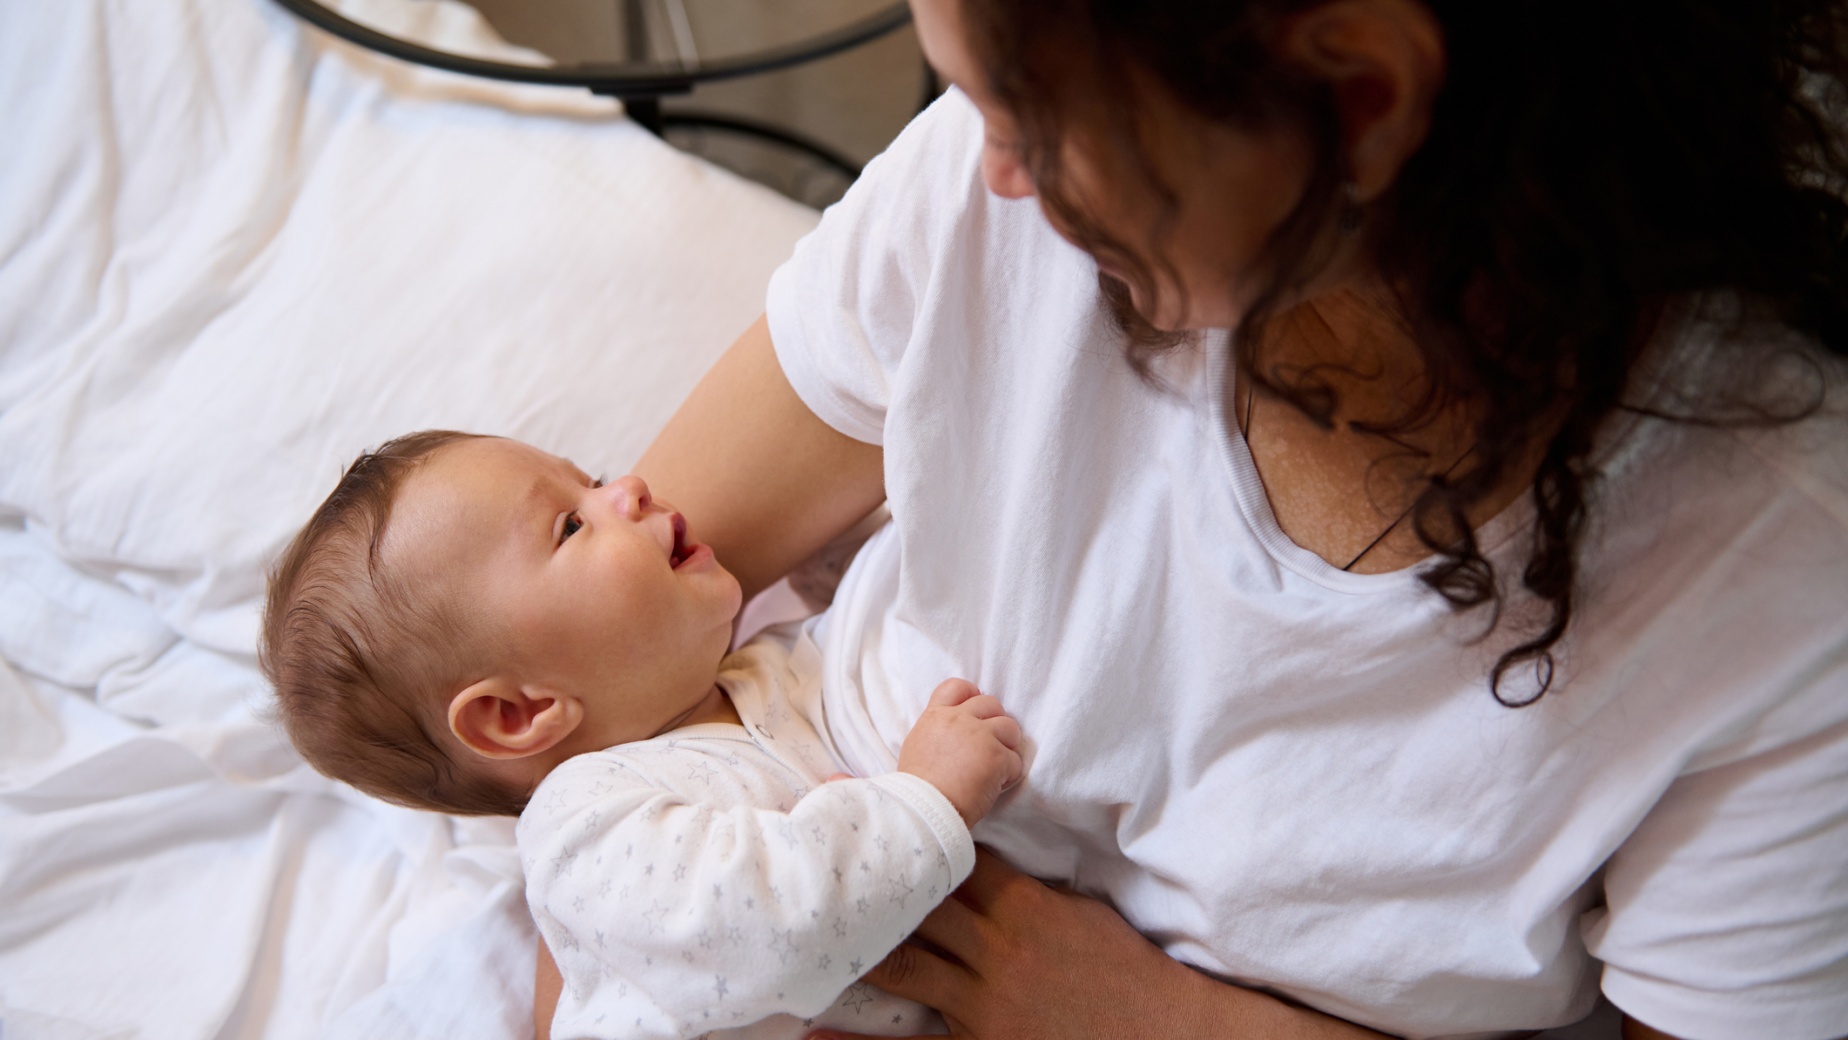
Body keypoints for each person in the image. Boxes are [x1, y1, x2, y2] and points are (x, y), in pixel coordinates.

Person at [527, 1, 1848, 1038]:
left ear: (1363, 99)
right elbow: (572, 696)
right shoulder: (978, 206)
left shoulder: (1783, 581)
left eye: (1031, 116)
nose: (991, 171)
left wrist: (1167, 1022)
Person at [258, 430, 1025, 1040]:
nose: (627, 488)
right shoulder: (584, 827)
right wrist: (929, 796)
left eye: (590, 479)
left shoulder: (760, 670)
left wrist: (839, 559)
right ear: (517, 714)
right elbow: (770, 922)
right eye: (570, 525)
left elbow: (855, 648)